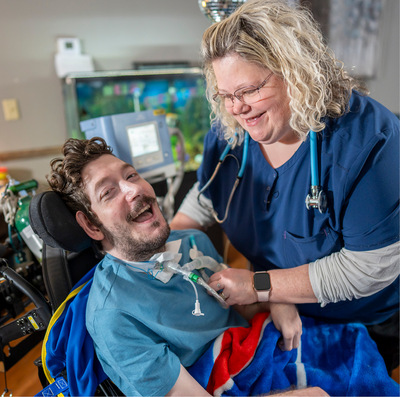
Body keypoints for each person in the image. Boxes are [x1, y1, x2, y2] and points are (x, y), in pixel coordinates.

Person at [170, 0, 400, 373]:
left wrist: (262, 286)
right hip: (274, 307)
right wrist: (172, 237)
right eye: (225, 96)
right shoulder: (230, 133)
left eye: (247, 90)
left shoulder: (367, 140)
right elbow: (212, 191)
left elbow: (369, 268)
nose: (237, 109)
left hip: (362, 320)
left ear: (295, 72)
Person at [46, 137, 334, 396]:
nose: (134, 189)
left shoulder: (193, 241)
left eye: (131, 175)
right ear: (91, 226)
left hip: (264, 351)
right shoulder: (114, 317)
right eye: (108, 193)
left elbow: (237, 303)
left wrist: (275, 299)